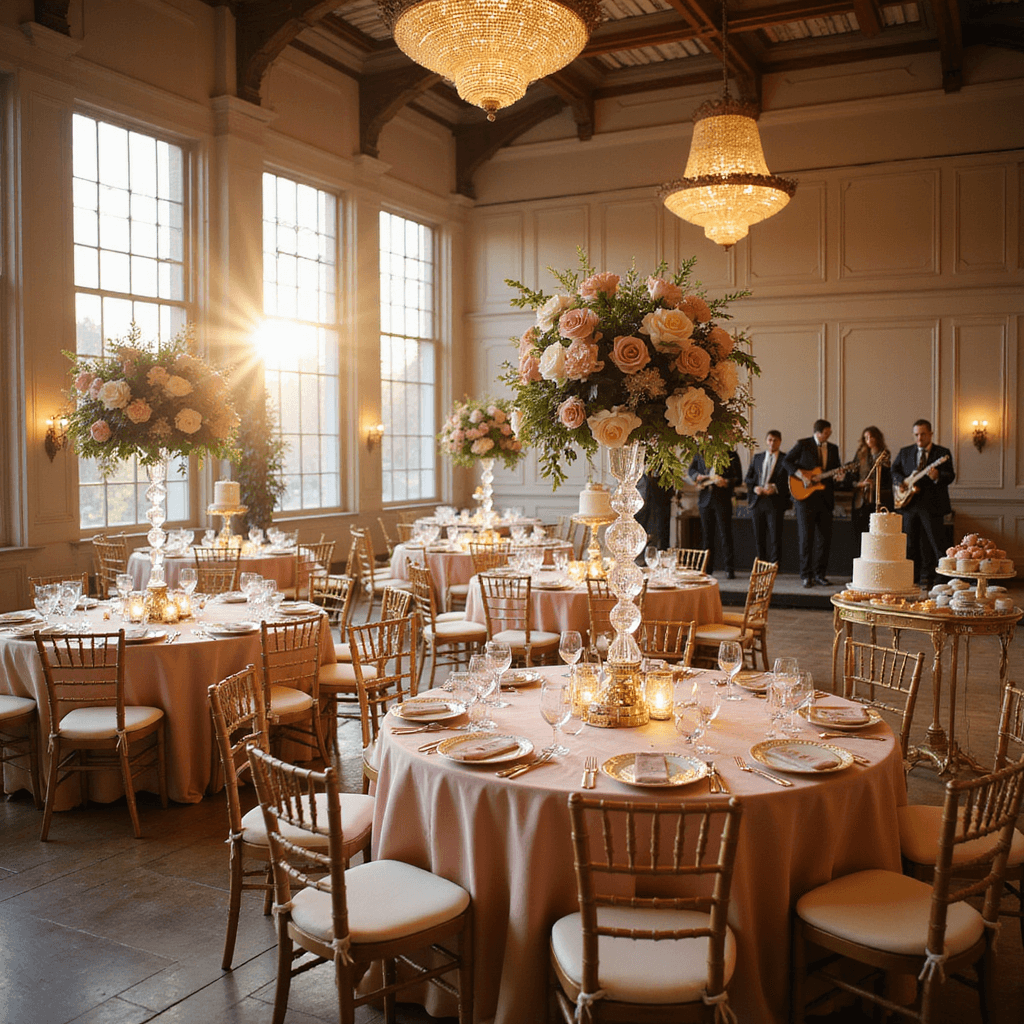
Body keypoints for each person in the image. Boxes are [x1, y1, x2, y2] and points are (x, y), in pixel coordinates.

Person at [890, 419, 955, 588]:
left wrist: (937, 476)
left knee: (936, 544)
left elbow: (950, 476)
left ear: (931, 434)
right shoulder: (905, 452)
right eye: (916, 434)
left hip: (932, 505)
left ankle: (941, 579)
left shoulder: (942, 453)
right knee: (910, 543)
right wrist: (901, 482)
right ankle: (913, 577)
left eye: (923, 434)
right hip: (909, 506)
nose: (919, 438)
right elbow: (894, 470)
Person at [782, 418, 844, 588]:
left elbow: (836, 470)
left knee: (824, 540)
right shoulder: (803, 444)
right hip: (805, 499)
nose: (829, 435)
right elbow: (786, 462)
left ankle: (820, 575)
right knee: (805, 539)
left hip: (825, 499)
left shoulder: (833, 448)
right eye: (827, 433)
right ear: (818, 433)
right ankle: (805, 575)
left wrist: (839, 476)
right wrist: (803, 476)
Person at [688, 450, 743, 578]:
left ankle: (729, 569)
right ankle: (707, 569)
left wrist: (727, 482)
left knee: (725, 535)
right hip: (705, 499)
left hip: (722, 499)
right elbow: (691, 470)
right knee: (707, 537)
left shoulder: (732, 454)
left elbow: (739, 479)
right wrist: (697, 476)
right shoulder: (701, 452)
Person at [745, 430, 790, 564]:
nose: (772, 443)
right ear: (766, 441)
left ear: (780, 442)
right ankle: (761, 564)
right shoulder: (757, 458)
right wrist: (755, 488)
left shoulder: (785, 459)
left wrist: (775, 488)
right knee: (759, 536)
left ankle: (774, 566)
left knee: (775, 536)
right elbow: (748, 479)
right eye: (770, 440)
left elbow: (790, 482)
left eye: (775, 440)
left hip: (775, 502)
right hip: (758, 501)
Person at [850, 426, 893, 538]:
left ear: (877, 437)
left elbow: (887, 477)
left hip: (878, 499)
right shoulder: (860, 455)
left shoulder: (884, 454)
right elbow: (852, 478)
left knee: (878, 533)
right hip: (861, 499)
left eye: (871, 437)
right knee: (860, 534)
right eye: (866, 437)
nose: (869, 440)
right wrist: (861, 484)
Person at [636, 472, 674, 551]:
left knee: (660, 536)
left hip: (660, 509)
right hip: (642, 512)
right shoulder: (640, 477)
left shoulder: (665, 473)